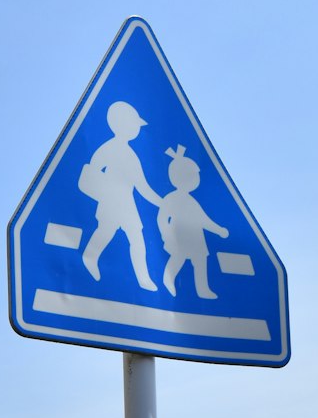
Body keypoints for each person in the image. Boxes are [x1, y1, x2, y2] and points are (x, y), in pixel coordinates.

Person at [80, 101, 163, 288]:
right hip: (111, 200)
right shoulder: (111, 148)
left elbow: (141, 185)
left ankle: (143, 278)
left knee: (135, 237)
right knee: (107, 231)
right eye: (135, 125)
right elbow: (92, 169)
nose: (137, 130)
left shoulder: (130, 154)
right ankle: (89, 258)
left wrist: (161, 202)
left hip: (127, 203)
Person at [156, 144, 229, 299]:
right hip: (179, 236)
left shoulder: (192, 201)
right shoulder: (171, 198)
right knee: (178, 258)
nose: (197, 179)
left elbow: (203, 220)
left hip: (196, 238)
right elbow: (161, 218)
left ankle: (203, 289)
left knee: (201, 261)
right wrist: (165, 234)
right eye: (193, 176)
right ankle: (168, 280)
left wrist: (219, 230)